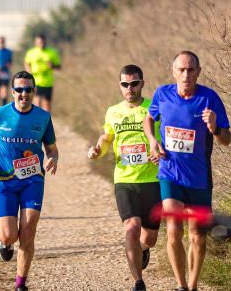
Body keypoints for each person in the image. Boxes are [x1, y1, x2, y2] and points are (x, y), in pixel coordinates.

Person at [144, 51, 231, 291]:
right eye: (181, 70)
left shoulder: (209, 98)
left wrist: (214, 127)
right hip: (170, 173)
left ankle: (192, 285)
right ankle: (181, 285)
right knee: (173, 230)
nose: (186, 75)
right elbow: (148, 119)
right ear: (173, 72)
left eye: (191, 70)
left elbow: (227, 139)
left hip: (200, 178)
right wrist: (152, 140)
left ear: (199, 72)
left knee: (197, 236)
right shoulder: (162, 94)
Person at [0, 71, 59, 291]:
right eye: (20, 89)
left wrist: (53, 159)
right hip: (5, 182)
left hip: (32, 181)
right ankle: (5, 243)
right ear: (13, 91)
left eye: (28, 89)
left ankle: (20, 283)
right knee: (9, 234)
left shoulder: (43, 117)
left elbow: (52, 149)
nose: (24, 94)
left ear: (34, 92)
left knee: (28, 231)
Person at [88, 64, 161, 291]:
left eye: (134, 83)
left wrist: (162, 153)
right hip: (125, 180)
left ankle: (143, 249)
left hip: (152, 180)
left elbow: (167, 133)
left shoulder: (154, 107)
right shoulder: (113, 111)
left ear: (142, 83)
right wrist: (98, 149)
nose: (129, 88)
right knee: (131, 226)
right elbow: (107, 136)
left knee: (149, 238)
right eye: (125, 84)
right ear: (120, 86)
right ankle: (138, 281)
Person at [24, 34, 62, 111]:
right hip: (35, 81)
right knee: (36, 103)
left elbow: (59, 67)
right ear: (35, 43)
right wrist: (29, 72)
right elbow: (26, 63)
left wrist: (52, 66)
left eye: (42, 42)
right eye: (39, 42)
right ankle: (36, 121)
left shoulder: (52, 52)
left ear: (45, 42)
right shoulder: (31, 52)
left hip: (48, 82)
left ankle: (45, 121)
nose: (41, 44)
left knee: (47, 105)